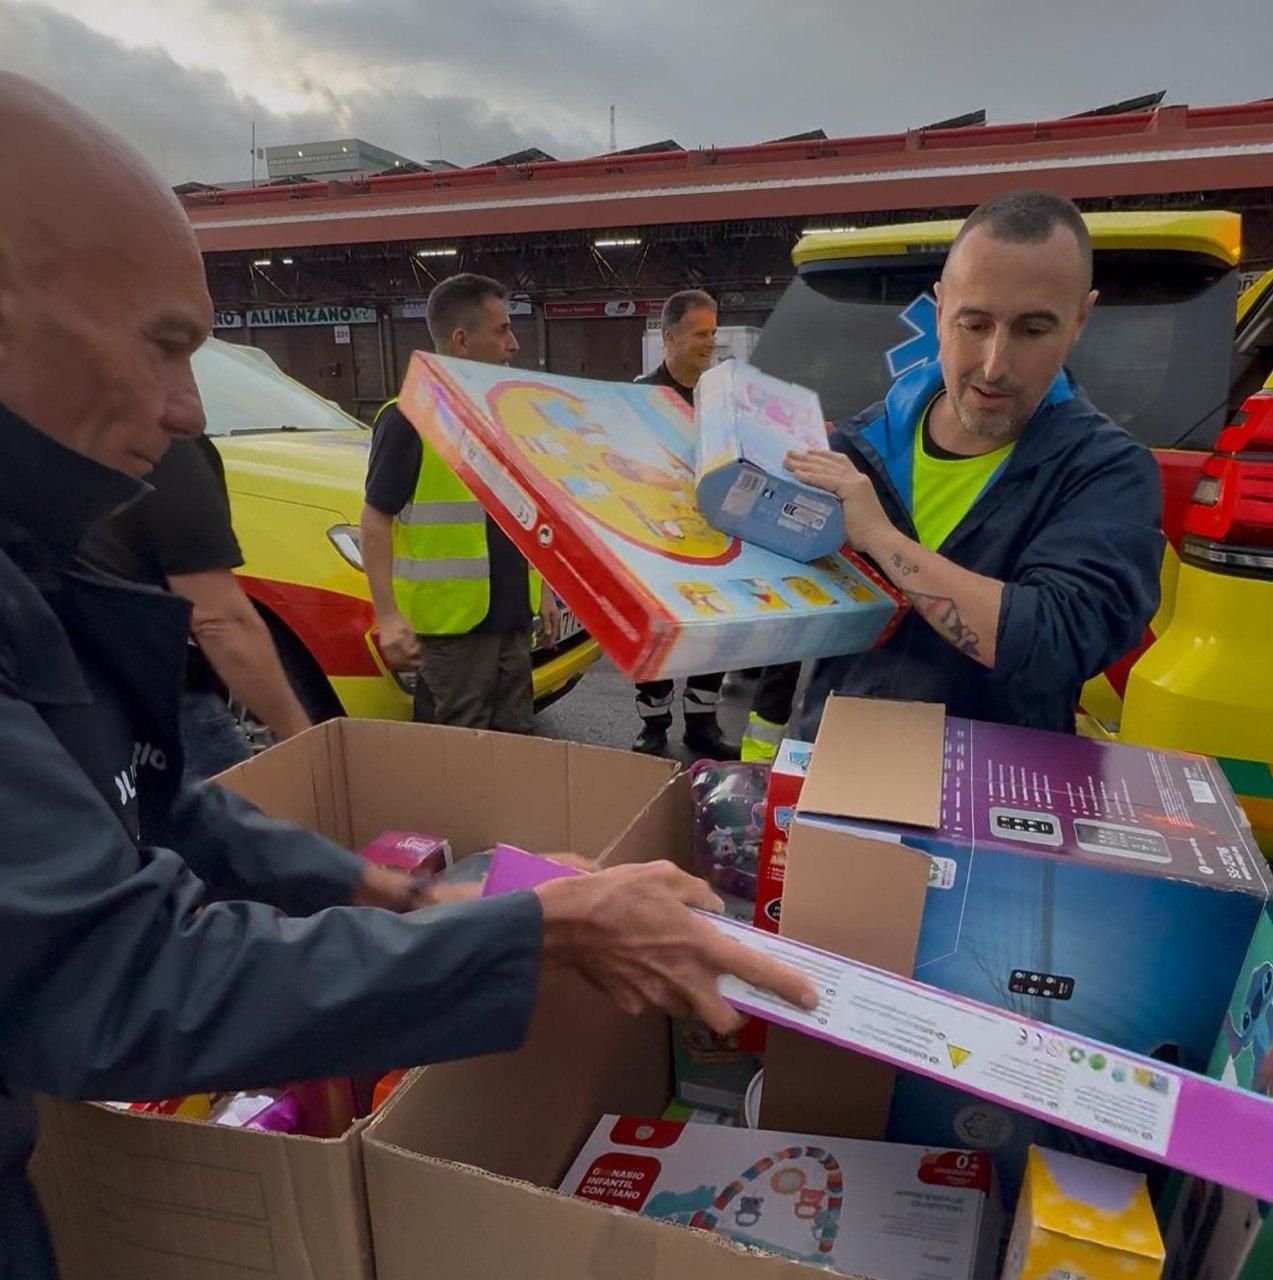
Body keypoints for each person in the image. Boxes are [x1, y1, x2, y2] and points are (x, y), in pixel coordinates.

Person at [0, 74, 815, 1275]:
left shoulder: (40, 553)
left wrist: (403, 895)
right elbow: (122, 978)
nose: (186, 409)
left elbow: (164, 806)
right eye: (161, 347)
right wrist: (540, 929)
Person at [784, 189, 1164, 737]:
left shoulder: (1107, 472)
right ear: (940, 312)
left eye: (1033, 330)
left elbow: (1056, 642)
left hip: (995, 786)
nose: (993, 365)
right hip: (834, 764)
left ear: (1080, 320)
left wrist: (882, 539)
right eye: (975, 324)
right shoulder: (856, 447)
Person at [360, 274, 558, 732]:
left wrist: (545, 590)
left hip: (512, 614)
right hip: (452, 627)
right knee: (461, 743)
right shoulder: (408, 418)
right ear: (462, 340)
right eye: (502, 330)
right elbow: (374, 520)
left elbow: (527, 512)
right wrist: (387, 616)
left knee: (517, 738)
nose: (514, 344)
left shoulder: (504, 416)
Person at [80, 434, 312, 780]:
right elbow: (218, 621)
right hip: (159, 704)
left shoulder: (38, 434)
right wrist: (305, 743)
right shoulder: (163, 447)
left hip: (62, 705)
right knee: (240, 808)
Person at [632, 290, 738, 760]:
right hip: (655, 537)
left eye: (713, 332)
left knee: (711, 629)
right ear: (670, 338)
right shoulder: (641, 397)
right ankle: (653, 724)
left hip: (711, 532)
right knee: (657, 629)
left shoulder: (721, 397)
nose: (710, 342)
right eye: (700, 333)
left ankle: (702, 722)